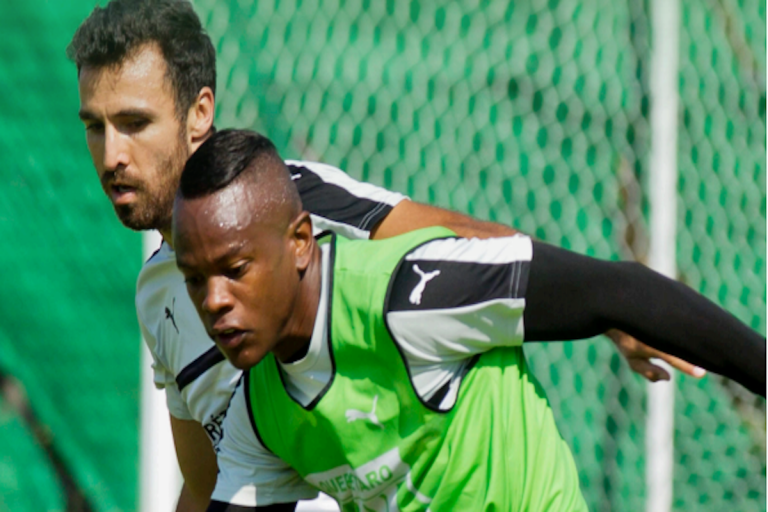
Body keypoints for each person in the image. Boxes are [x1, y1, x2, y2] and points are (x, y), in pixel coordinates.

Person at [67, 0, 706, 509]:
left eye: (134, 123)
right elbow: (206, 484)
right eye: (95, 127)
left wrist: (608, 305)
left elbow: (465, 239)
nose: (111, 154)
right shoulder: (157, 296)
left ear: (199, 110)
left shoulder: (299, 202)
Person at [172, 129, 766, 512]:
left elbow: (619, 288)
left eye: (235, 269)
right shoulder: (259, 414)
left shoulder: (412, 296)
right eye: (195, 279)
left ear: (302, 242)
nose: (214, 300)